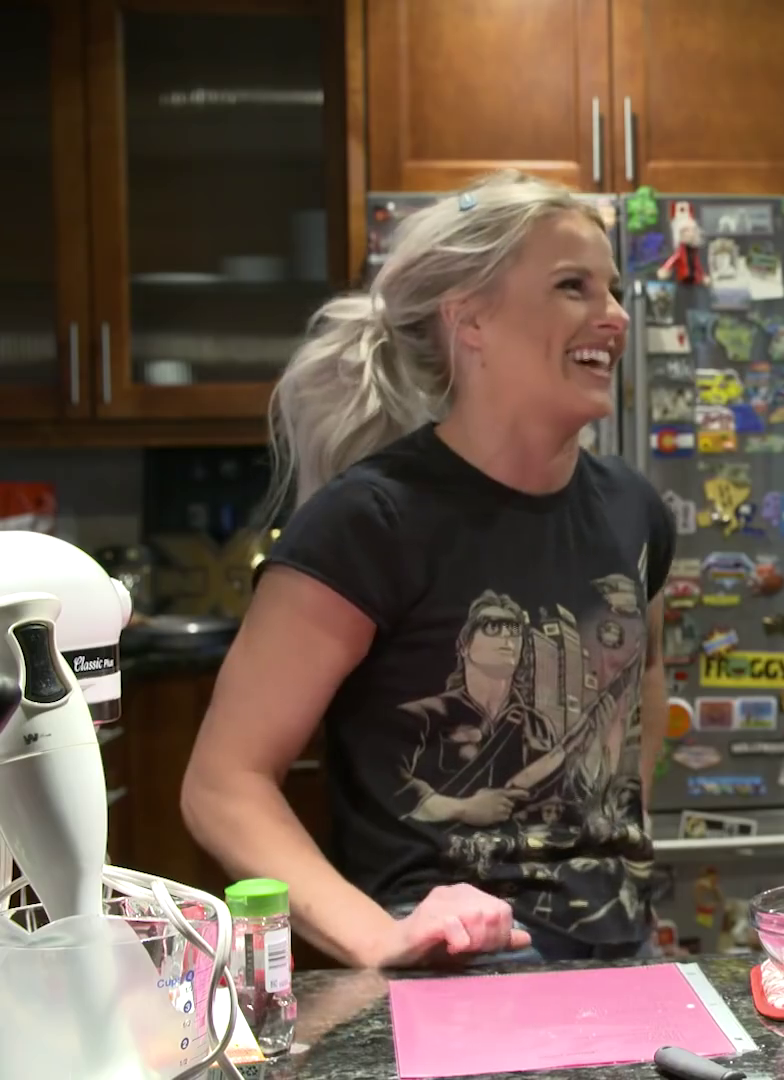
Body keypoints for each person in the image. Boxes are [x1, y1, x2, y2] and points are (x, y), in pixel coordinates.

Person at [181, 170, 675, 969]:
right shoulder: (368, 524)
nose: (614, 315)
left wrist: (614, 851)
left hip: (624, 953)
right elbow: (222, 784)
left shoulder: (635, 510)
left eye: (612, 288)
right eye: (573, 286)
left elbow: (644, 679)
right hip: (458, 971)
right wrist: (381, 938)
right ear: (469, 318)